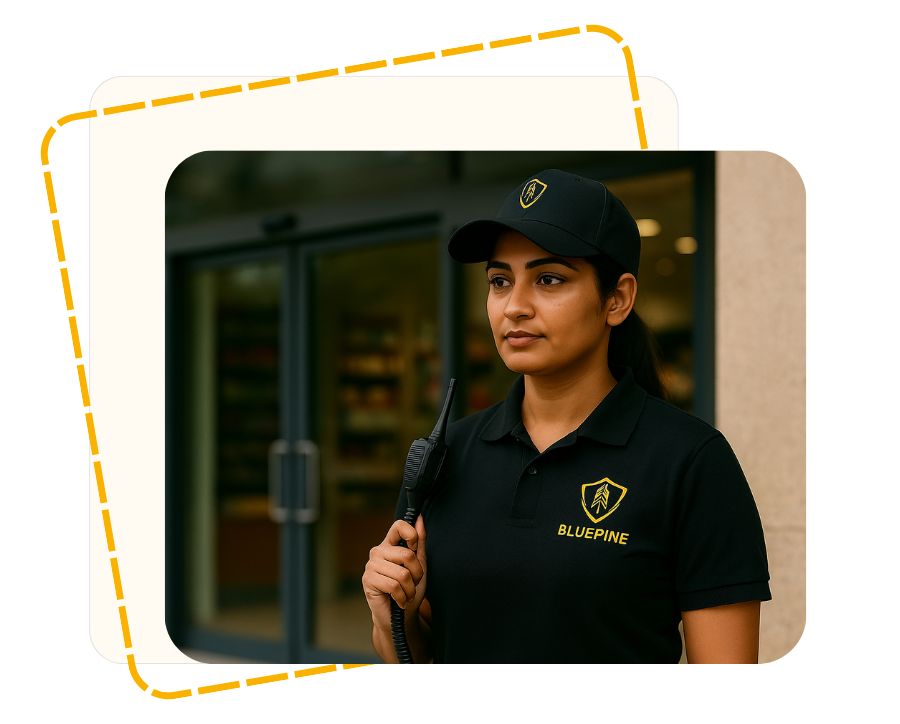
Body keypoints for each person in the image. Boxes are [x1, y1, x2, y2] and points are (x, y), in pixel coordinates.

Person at [361, 169, 771, 663]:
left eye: (548, 279)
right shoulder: (449, 452)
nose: (514, 306)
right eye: (499, 281)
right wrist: (391, 617)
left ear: (616, 299)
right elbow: (416, 659)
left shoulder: (691, 461)